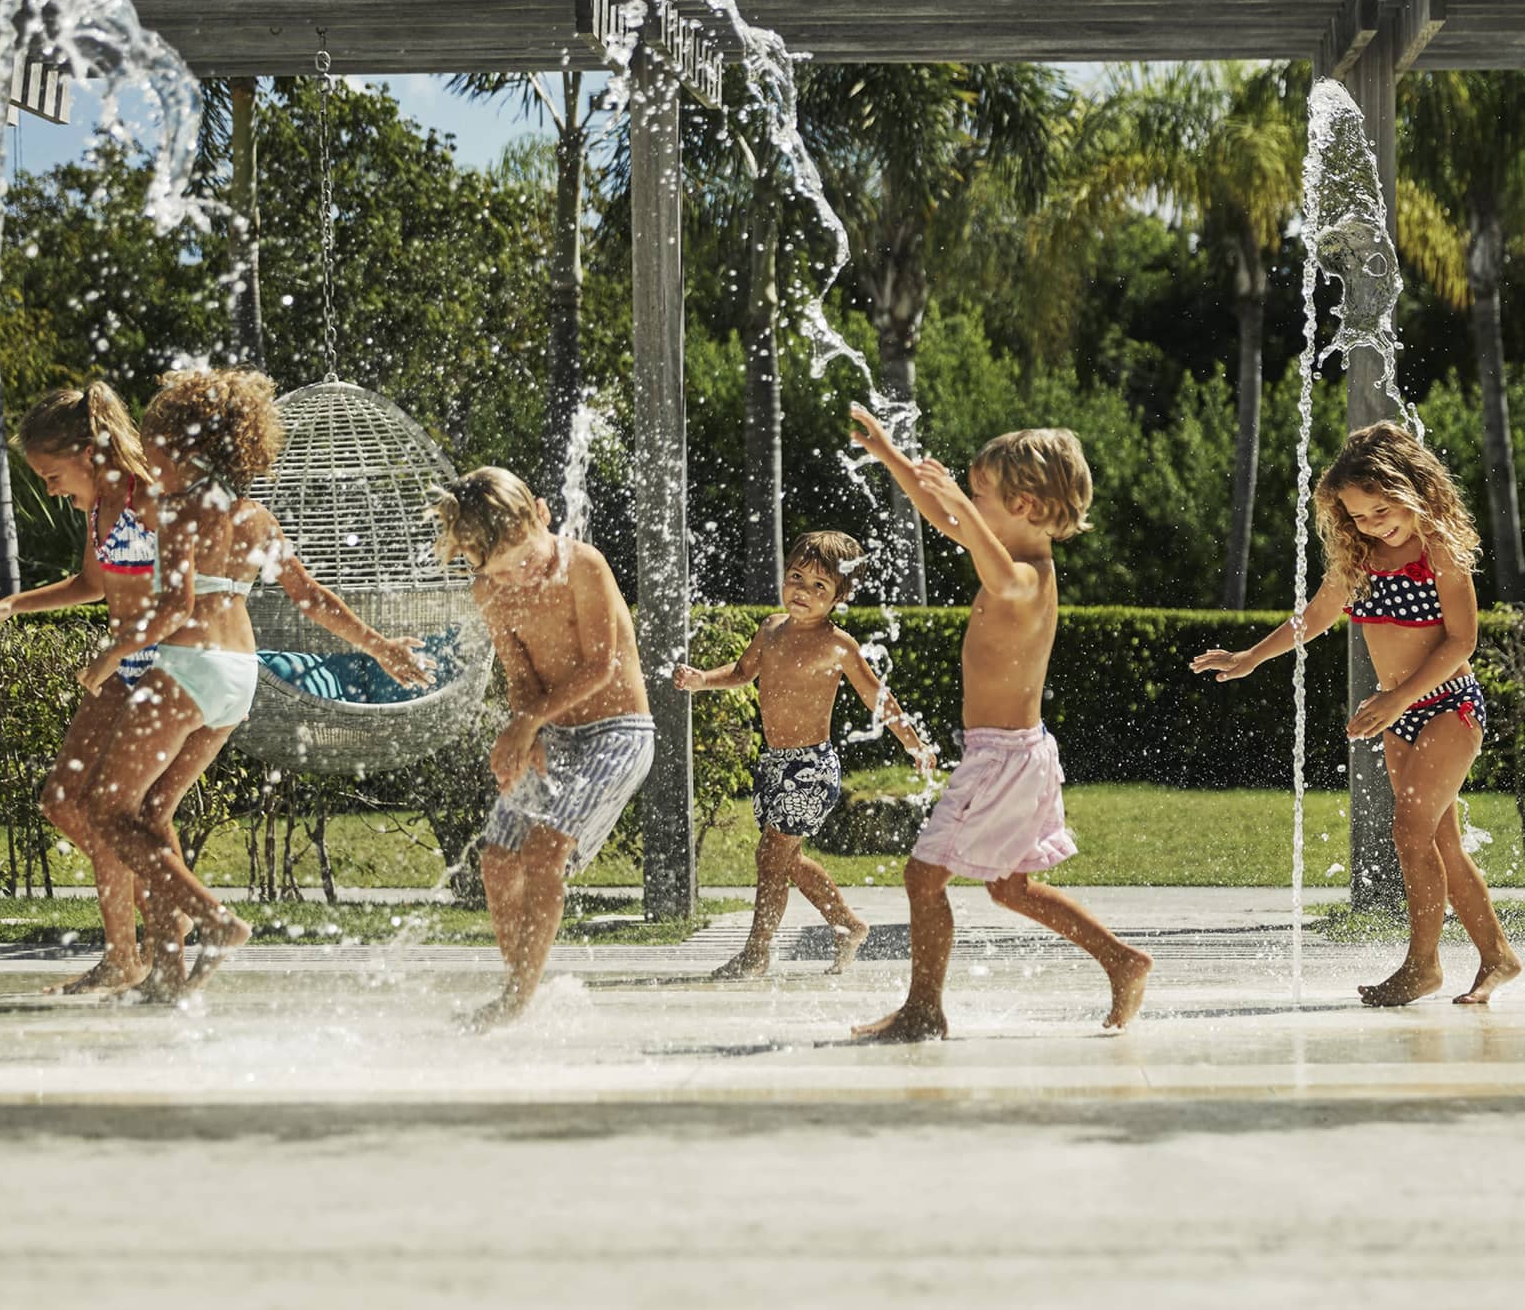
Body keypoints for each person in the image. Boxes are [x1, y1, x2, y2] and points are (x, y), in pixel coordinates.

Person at [83, 368, 431, 997]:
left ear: (187, 448)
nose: (147, 455)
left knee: (104, 808)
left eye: (155, 443)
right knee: (154, 812)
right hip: (239, 679)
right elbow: (312, 598)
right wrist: (379, 647)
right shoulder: (255, 517)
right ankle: (167, 970)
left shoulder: (184, 510)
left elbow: (172, 609)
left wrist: (109, 658)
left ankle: (216, 922)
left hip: (188, 669)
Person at [848, 408, 1152, 1040]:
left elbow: (983, 551)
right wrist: (889, 456)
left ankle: (924, 1011)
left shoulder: (1025, 578)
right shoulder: (1011, 556)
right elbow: (947, 519)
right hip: (1018, 753)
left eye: (981, 495)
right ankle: (1123, 962)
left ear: (1025, 505)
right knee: (1011, 888)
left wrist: (957, 496)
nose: (968, 507)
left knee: (923, 876)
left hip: (1002, 760)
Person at [1193, 420, 1519, 1008]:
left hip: (1449, 706)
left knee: (1409, 830)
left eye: (1381, 509)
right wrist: (1251, 656)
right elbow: (1313, 616)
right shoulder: (1360, 558)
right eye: (1359, 516)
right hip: (1398, 715)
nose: (1372, 523)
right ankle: (1497, 955)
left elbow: (1461, 643)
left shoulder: (1438, 549)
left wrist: (1397, 697)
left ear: (1412, 488)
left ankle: (1423, 966)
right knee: (1438, 840)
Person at [431, 468, 654, 1029]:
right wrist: (525, 729)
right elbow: (521, 677)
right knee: (497, 860)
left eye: (526, 562)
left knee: (543, 853)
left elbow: (602, 668)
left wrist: (526, 725)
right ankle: (521, 986)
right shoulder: (491, 592)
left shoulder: (584, 565)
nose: (519, 579)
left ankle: (514, 1001)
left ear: (542, 515)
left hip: (618, 732)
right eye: (501, 573)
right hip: (552, 731)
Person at [0, 383, 191, 993]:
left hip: (165, 669)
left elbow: (186, 596)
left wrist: (124, 651)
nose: (51, 489)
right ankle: (157, 914)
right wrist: (12, 604)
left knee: (122, 813)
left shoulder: (149, 496)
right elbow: (91, 583)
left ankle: (136, 951)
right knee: (62, 800)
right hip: (120, 669)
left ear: (88, 450)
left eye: (53, 475)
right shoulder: (99, 506)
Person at [674, 529, 932, 978]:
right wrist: (701, 679)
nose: (803, 591)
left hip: (811, 768)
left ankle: (756, 953)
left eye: (819, 586)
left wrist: (913, 742)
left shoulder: (838, 644)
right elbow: (741, 671)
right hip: (775, 764)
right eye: (796, 576)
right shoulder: (771, 629)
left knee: (773, 856)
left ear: (838, 597)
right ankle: (847, 925)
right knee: (782, 859)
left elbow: (877, 698)